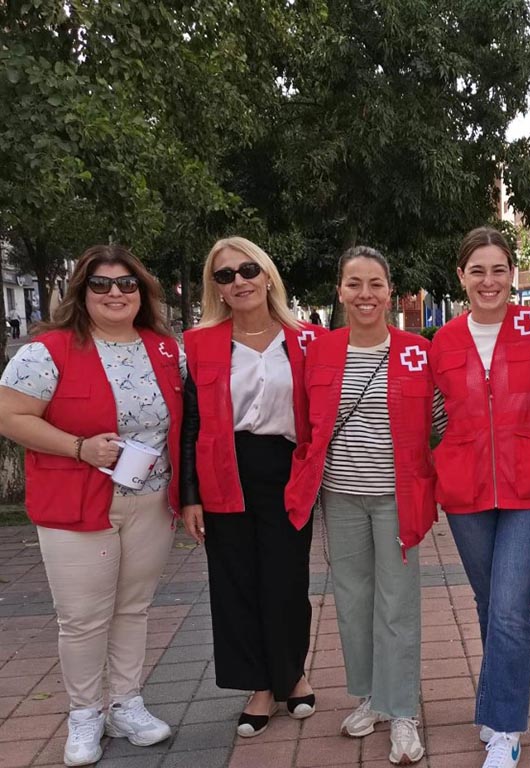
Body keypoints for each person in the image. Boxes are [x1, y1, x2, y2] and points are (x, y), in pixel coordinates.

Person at [0, 245, 183, 766]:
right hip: (76, 500)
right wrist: (78, 447)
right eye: (100, 284)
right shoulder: (48, 350)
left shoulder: (165, 349)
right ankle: (84, 713)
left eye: (126, 284)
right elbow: (10, 416)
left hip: (149, 500)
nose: (115, 293)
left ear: (141, 291)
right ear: (81, 291)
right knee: (82, 617)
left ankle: (126, 704)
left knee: (133, 607)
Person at [284, 245, 443, 766]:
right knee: (352, 603)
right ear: (340, 291)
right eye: (354, 283)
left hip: (398, 496)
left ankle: (403, 711)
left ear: (390, 291)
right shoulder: (320, 352)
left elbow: (441, 420)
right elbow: (308, 423)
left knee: (397, 605)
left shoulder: (417, 349)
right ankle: (372, 697)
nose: (365, 294)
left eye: (375, 283)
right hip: (341, 496)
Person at [430, 228, 530, 768]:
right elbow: (429, 414)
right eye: (478, 271)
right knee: (491, 604)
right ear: (461, 277)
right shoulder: (441, 342)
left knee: (510, 608)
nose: (490, 281)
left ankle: (505, 728)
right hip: (465, 490)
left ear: (514, 275)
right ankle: (499, 702)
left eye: (499, 270)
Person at [179, 236, 322, 739]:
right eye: (224, 275)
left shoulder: (305, 339)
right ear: (215, 288)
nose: (237, 281)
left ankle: (292, 673)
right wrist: (189, 494)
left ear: (266, 276)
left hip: (287, 468)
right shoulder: (199, 344)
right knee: (235, 580)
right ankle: (259, 684)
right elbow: (190, 422)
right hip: (224, 469)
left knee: (286, 579)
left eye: (246, 270)